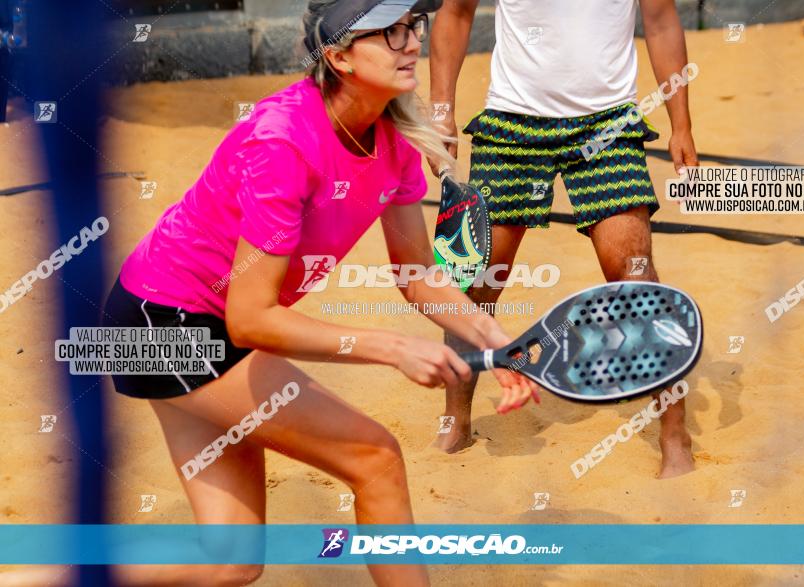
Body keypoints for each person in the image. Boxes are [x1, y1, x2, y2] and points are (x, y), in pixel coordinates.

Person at [0, 2, 537, 586]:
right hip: (161, 326)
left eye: (412, 25)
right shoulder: (284, 141)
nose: (411, 42)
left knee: (230, 562)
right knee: (375, 458)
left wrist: (497, 340)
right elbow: (251, 320)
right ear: (338, 57)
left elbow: (418, 275)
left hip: (178, 320)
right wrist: (392, 348)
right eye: (389, 32)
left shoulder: (397, 139)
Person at [429, 0, 699, 478]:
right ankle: (457, 420)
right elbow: (455, 13)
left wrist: (682, 123)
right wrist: (441, 112)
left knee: (635, 280)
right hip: (511, 122)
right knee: (475, 279)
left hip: (607, 125)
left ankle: (674, 433)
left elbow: (660, 20)